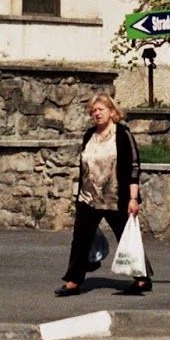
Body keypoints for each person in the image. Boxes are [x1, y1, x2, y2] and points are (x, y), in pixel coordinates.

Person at [56, 94, 153, 296]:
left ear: (111, 111)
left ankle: (142, 279)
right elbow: (83, 167)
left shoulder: (122, 134)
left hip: (115, 197)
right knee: (80, 238)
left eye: (101, 109)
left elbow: (134, 167)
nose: (97, 113)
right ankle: (74, 280)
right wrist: (78, 196)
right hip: (89, 197)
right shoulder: (89, 135)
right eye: (94, 111)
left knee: (126, 236)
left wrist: (134, 198)